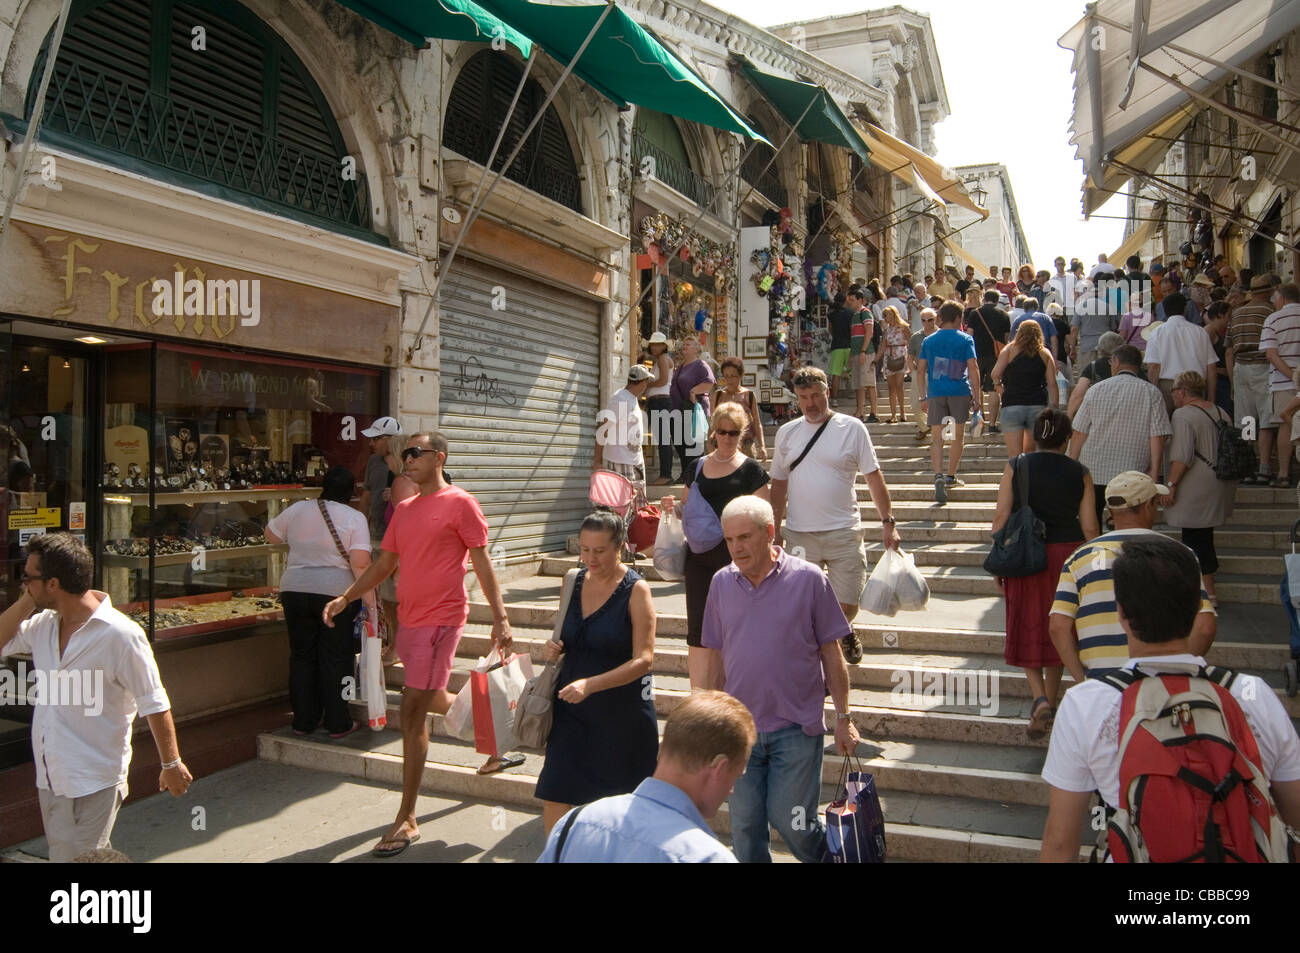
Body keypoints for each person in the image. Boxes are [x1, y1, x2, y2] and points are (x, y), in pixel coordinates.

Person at [1039, 535, 1300, 862]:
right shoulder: (1252, 693)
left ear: (1121, 613)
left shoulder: (1086, 704)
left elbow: (1060, 840)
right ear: (1196, 609)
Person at [322, 432, 514, 856]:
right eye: (404, 452)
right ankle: (495, 736)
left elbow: (481, 562)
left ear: (439, 458)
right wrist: (347, 596)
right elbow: (384, 564)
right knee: (430, 697)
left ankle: (407, 818)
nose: (405, 458)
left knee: (411, 710)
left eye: (415, 452)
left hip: (444, 619)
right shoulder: (404, 511)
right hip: (410, 620)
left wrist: (500, 618)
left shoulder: (461, 503)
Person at [0, 534, 191, 862]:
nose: (24, 584)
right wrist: (27, 600)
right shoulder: (44, 625)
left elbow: (154, 701)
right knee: (64, 858)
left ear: (54, 583)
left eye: (29, 578)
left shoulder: (121, 635)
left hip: (95, 778)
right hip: (51, 774)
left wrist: (171, 763)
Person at [701, 495, 860, 863]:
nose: (736, 548)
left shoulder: (809, 579)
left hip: (797, 727)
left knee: (794, 823)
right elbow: (714, 654)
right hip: (740, 730)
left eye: (744, 538)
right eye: (729, 540)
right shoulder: (721, 583)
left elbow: (832, 653)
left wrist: (843, 718)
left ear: (770, 532)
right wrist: (709, 720)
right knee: (744, 827)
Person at [535, 511, 657, 834]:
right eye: (585, 549)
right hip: (571, 712)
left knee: (621, 812)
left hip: (622, 718)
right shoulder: (572, 580)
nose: (590, 558)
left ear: (619, 547)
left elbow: (644, 659)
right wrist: (552, 647)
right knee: (556, 792)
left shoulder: (636, 590)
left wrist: (592, 684)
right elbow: (564, 635)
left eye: (599, 550)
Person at [769, 367, 900, 662]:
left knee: (848, 601)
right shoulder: (787, 433)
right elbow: (778, 484)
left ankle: (844, 629)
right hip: (801, 532)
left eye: (816, 395)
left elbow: (874, 477)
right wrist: (774, 527)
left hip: (843, 530)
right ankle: (823, 661)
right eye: (803, 397)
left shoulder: (852, 428)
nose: (810, 403)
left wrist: (888, 522)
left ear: (827, 392)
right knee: (803, 603)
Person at [537, 690, 754, 862]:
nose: (731, 789)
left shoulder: (574, 823)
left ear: (662, 749)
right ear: (719, 768)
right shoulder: (709, 857)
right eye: (736, 775)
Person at [991, 409, 1098, 740]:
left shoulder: (1017, 466)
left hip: (1027, 554)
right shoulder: (1080, 472)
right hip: (1069, 557)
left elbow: (1001, 514)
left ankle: (1039, 697)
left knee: (1026, 624)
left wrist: (999, 558)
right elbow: (1091, 527)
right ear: (1067, 440)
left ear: (1035, 436)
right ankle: (1049, 700)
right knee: (1061, 627)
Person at [1049, 472, 1216, 682]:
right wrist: (1176, 669)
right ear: (1148, 506)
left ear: (1111, 510)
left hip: (1102, 682)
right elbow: (1205, 627)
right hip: (1163, 681)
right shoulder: (1180, 554)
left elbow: (1058, 627)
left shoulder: (1079, 558)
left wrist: (1083, 681)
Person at [661, 402, 769, 688]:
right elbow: (687, 508)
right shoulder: (696, 466)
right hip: (698, 558)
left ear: (742, 434)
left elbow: (765, 517)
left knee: (735, 626)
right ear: (713, 432)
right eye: (722, 431)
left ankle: (732, 690)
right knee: (698, 628)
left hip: (737, 558)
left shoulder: (751, 470)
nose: (727, 438)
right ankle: (698, 695)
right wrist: (671, 509)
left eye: (733, 433)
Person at [265, 465, 374, 738]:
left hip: (294, 589)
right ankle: (338, 722)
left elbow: (270, 535)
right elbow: (360, 565)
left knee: (302, 657)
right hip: (336, 595)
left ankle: (303, 721)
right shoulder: (354, 517)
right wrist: (370, 605)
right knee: (337, 658)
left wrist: (303, 543)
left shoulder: (298, 509)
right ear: (351, 492)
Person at [1069, 345, 1171, 530]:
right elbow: (1157, 436)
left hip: (1094, 469)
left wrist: (1072, 464)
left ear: (1115, 362)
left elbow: (1078, 432)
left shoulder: (1096, 389)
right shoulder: (1151, 393)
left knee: (1092, 517)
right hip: (1132, 472)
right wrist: (1155, 472)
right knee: (1129, 522)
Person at [1160, 370, 1236, 607]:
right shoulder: (1220, 411)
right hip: (1221, 479)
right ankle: (1204, 590)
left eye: (1174, 391)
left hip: (1196, 484)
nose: (1173, 396)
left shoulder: (1183, 415)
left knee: (1195, 539)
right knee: (1203, 536)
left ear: (1182, 391)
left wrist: (1170, 484)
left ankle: (1206, 594)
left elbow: (1182, 456)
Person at [918, 302, 981, 504]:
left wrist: (922, 396)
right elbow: (973, 368)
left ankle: (937, 475)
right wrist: (977, 396)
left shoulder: (929, 340)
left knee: (937, 438)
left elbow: (920, 369)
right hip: (959, 392)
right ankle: (950, 476)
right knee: (956, 436)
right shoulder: (965, 339)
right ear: (958, 318)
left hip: (936, 393)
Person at [360, 416, 409, 665]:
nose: (372, 443)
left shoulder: (407, 472)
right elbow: (367, 495)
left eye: (376, 438)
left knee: (394, 596)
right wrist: (360, 525)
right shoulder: (374, 462)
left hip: (397, 543)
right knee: (385, 598)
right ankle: (394, 642)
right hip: (377, 535)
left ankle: (398, 645)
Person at [1226, 276, 1280, 485]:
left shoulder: (1237, 313)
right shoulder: (1269, 312)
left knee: (1247, 420)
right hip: (1262, 367)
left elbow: (1229, 351)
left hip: (1240, 368)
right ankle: (1264, 468)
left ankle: (1248, 467)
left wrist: (1232, 380)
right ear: (1269, 292)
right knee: (1266, 419)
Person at [991, 319, 1058, 458]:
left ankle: (1016, 478)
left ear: (1019, 332)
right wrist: (1055, 406)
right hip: (1037, 404)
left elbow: (995, 374)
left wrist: (999, 388)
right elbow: (1052, 383)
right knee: (1031, 452)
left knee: (1014, 455)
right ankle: (1029, 477)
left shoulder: (1009, 350)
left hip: (1012, 403)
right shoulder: (1045, 353)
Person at [1145, 292, 1217, 415]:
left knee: (1166, 428)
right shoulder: (1200, 332)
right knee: (1195, 426)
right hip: (1196, 387)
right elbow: (1211, 367)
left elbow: (1154, 366)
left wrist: (1153, 394)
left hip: (1167, 387)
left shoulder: (1157, 333)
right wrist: (1211, 398)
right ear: (1185, 309)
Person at [594, 363, 653, 511]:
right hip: (620, 460)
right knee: (622, 508)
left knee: (639, 508)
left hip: (634, 461)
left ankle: (635, 534)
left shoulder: (632, 398)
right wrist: (597, 461)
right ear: (642, 382)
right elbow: (604, 430)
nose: (647, 385)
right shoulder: (619, 399)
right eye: (646, 381)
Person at [1261, 282, 1300, 487]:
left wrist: (1293, 376)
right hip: (1293, 380)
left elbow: (1271, 354)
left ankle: (1284, 474)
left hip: (1282, 383)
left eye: (1275, 299)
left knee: (1285, 426)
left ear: (1282, 298)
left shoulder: (1273, 319)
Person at [670, 338, 715, 483]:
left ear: (696, 349)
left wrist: (694, 391)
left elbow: (709, 383)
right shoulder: (681, 366)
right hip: (679, 409)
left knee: (693, 444)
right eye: (684, 343)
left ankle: (695, 476)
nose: (684, 345)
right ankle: (686, 473)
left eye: (688, 344)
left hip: (694, 409)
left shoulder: (700, 364)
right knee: (680, 443)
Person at [965, 290, 1010, 435]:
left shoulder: (974, 313)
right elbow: (1006, 338)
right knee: (994, 388)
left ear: (984, 299)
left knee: (976, 387)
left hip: (976, 354)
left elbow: (970, 335)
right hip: (996, 356)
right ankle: (992, 424)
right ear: (997, 301)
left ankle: (979, 422)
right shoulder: (1004, 315)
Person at [710, 356, 766, 461]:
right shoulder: (718, 395)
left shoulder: (748, 395)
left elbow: (757, 423)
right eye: (726, 376)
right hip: (723, 444)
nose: (729, 380)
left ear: (741, 376)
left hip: (745, 444)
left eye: (733, 376)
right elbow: (713, 423)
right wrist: (710, 446)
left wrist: (762, 446)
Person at [1065, 331, 1123, 418]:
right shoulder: (1129, 366)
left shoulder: (1093, 366)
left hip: (1099, 413)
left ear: (1101, 350)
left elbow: (1078, 395)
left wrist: (1068, 418)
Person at [646, 332, 675, 486]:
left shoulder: (663, 359)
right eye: (653, 344)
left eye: (658, 344)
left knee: (663, 440)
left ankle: (666, 475)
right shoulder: (661, 360)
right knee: (663, 439)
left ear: (664, 346)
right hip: (659, 402)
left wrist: (646, 385)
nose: (655, 347)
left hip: (661, 402)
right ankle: (665, 474)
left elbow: (663, 380)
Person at [847, 284, 876, 423]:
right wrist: (852, 355)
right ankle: (859, 411)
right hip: (857, 353)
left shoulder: (865, 312)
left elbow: (869, 332)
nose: (850, 303)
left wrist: (864, 350)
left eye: (852, 300)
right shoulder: (854, 315)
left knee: (868, 383)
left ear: (860, 300)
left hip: (866, 352)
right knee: (858, 384)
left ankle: (873, 413)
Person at [908, 308, 937, 440]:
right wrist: (912, 369)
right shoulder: (916, 337)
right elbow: (910, 355)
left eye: (930, 319)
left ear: (935, 319)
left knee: (937, 403)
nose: (927, 323)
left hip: (937, 374)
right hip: (919, 373)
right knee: (915, 403)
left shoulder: (940, 334)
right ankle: (924, 427)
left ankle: (936, 428)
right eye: (924, 320)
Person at [879, 304, 911, 423]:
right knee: (891, 387)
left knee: (899, 385)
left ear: (893, 315)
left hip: (901, 355)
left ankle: (903, 412)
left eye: (886, 315)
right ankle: (893, 415)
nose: (885, 318)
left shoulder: (904, 327)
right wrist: (875, 359)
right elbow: (882, 346)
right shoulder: (886, 330)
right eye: (884, 316)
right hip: (889, 356)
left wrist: (912, 359)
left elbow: (910, 342)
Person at [1202, 300, 1233, 415]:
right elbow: (1203, 360)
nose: (1230, 319)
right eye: (1229, 316)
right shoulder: (1208, 331)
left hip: (1224, 379)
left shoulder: (1222, 332)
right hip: (1217, 380)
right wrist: (1220, 370)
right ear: (1220, 315)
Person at [827, 291, 853, 406]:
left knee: (835, 374)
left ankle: (834, 399)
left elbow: (830, 329)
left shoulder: (832, 314)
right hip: (849, 345)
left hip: (837, 345)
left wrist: (836, 336)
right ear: (845, 300)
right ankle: (853, 393)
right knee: (852, 371)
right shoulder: (850, 313)